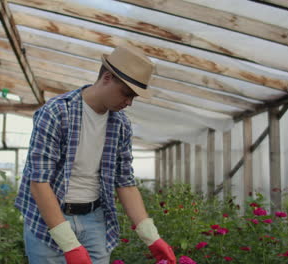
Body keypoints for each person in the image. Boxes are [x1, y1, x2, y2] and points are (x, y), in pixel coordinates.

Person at [15, 45, 176, 264]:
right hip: (48, 220)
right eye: (127, 93)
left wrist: (152, 237)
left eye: (134, 97)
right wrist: (69, 244)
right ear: (107, 78)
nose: (129, 102)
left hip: (95, 221)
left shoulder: (120, 125)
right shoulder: (56, 112)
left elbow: (125, 182)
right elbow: (39, 182)